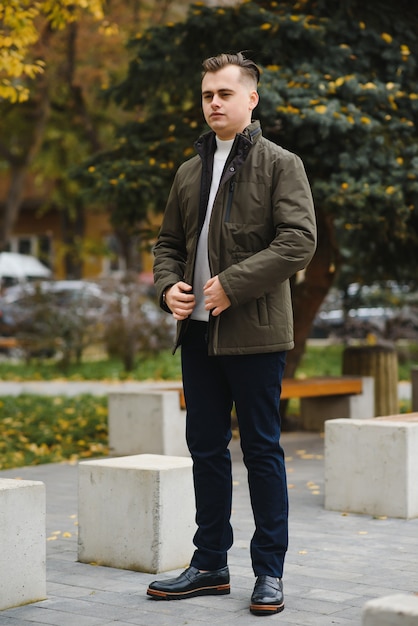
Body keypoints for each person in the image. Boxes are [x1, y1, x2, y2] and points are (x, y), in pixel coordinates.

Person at [148, 51, 316, 616]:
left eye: (224, 93)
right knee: (205, 451)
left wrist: (232, 286)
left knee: (263, 452)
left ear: (251, 99)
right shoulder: (189, 170)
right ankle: (209, 565)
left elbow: (298, 241)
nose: (213, 103)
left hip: (256, 337)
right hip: (195, 337)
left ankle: (269, 571)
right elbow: (168, 244)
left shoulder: (280, 164)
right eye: (206, 95)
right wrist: (169, 286)